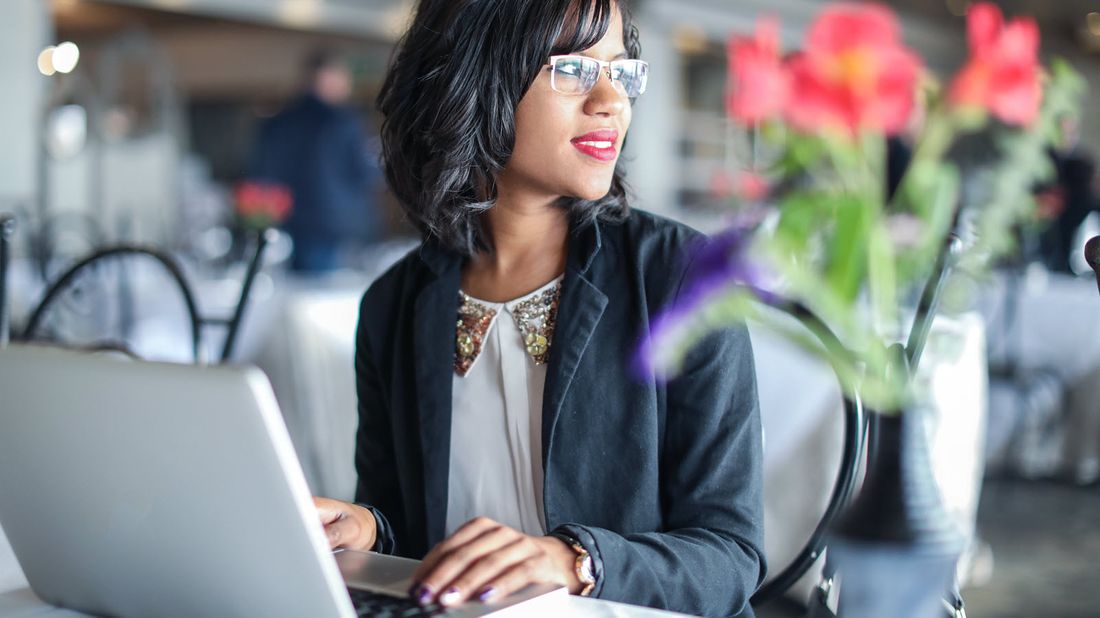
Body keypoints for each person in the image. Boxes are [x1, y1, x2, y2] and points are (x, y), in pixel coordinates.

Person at [312, 1, 765, 616]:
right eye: (574, 70)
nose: (612, 99)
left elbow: (730, 558)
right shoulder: (394, 304)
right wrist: (369, 531)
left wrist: (574, 562)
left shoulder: (680, 277)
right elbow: (414, 531)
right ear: (473, 76)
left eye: (623, 71)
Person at [250, 49, 381, 273]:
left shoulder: (280, 121)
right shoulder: (343, 121)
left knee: (302, 292)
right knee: (334, 298)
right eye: (342, 76)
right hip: (337, 225)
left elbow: (263, 171)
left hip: (292, 220)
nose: (346, 83)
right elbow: (365, 172)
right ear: (326, 77)